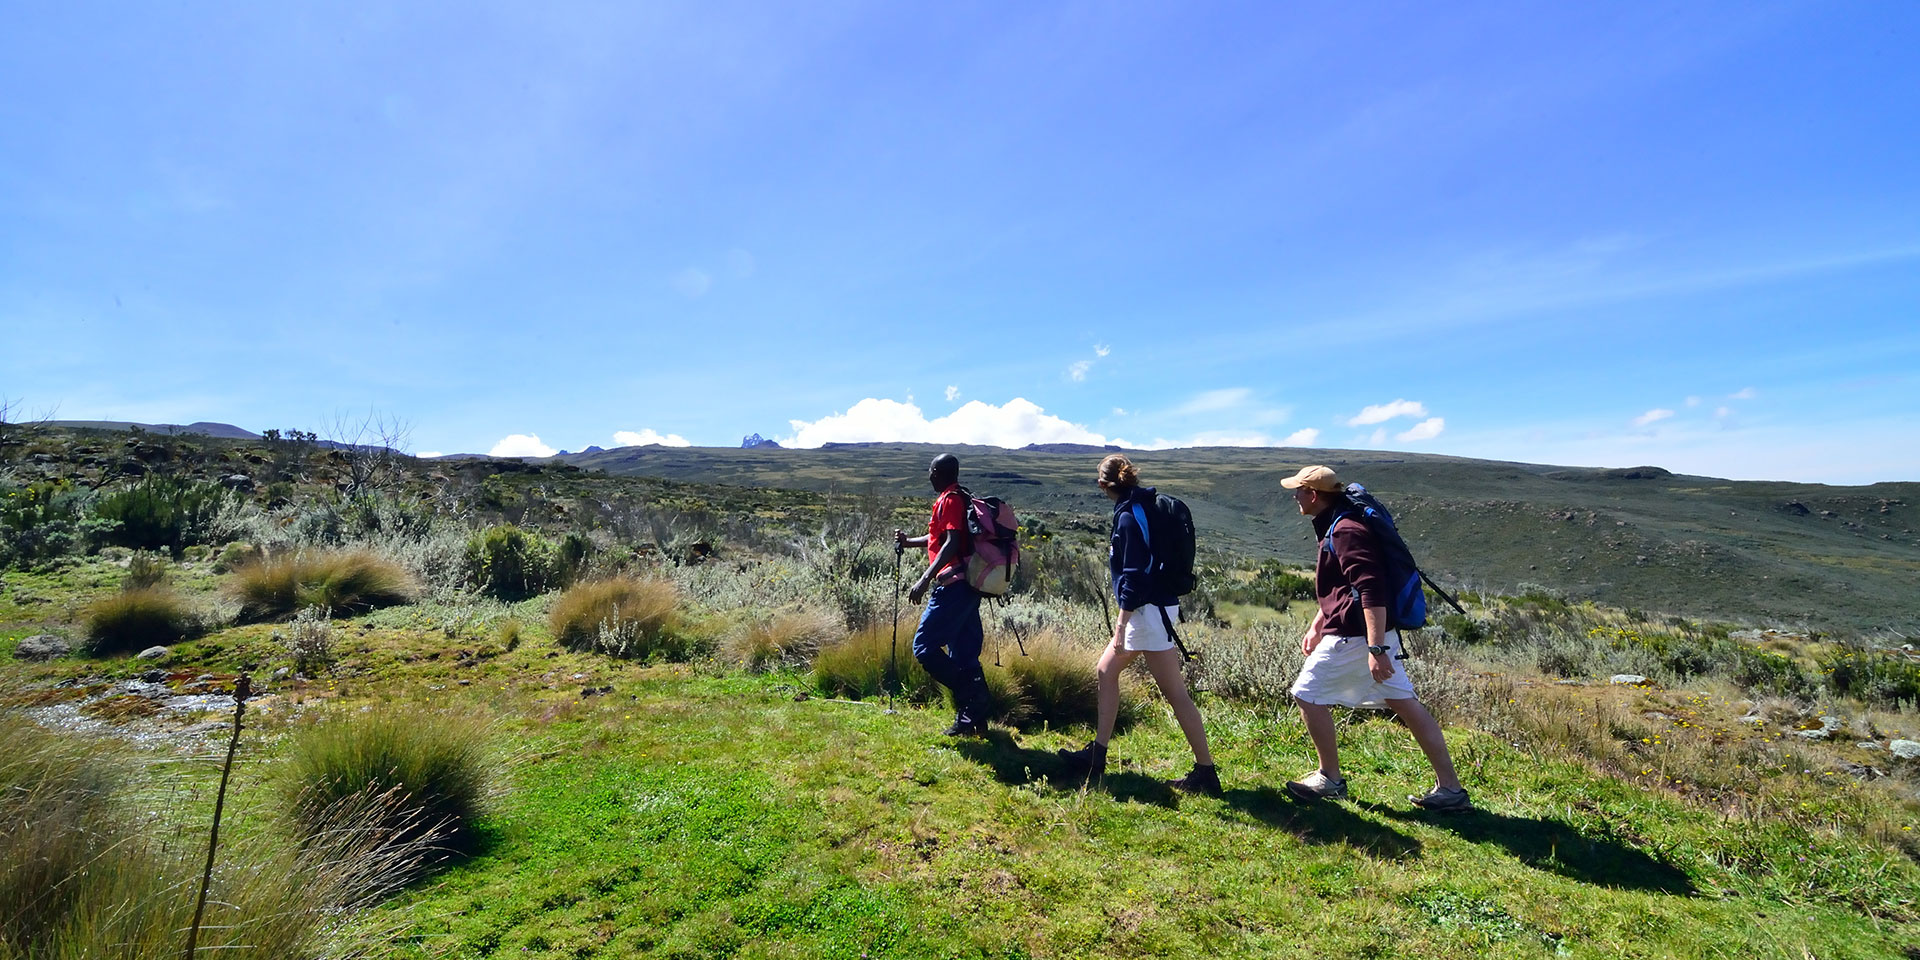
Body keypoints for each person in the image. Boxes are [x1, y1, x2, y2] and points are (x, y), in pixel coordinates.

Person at [1279, 464, 1470, 811]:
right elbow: (1343, 587)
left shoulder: (1345, 531)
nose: (1295, 497)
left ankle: (1330, 779)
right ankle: (1451, 791)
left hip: (1355, 637)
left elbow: (1370, 589)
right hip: (1365, 635)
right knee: (1404, 703)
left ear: (1314, 495)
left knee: (1306, 694)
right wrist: (1317, 623)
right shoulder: (1338, 525)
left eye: (1298, 491)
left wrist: (1376, 647)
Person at [1058, 454, 1220, 795]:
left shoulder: (1130, 516)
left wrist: (1120, 624)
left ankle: (1204, 772)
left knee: (1164, 690)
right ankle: (1101, 755)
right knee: (1118, 675)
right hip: (1159, 610)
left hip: (1147, 613)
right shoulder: (1143, 506)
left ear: (1104, 485)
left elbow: (1134, 575)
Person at [894, 453, 991, 736]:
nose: (929, 476)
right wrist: (909, 542)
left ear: (938, 472)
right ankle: (972, 720)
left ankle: (973, 695)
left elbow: (952, 542)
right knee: (964, 654)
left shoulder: (950, 499)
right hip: (968, 586)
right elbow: (940, 537)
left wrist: (925, 578)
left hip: (953, 586)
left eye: (930, 471)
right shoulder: (958, 497)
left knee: (924, 648)